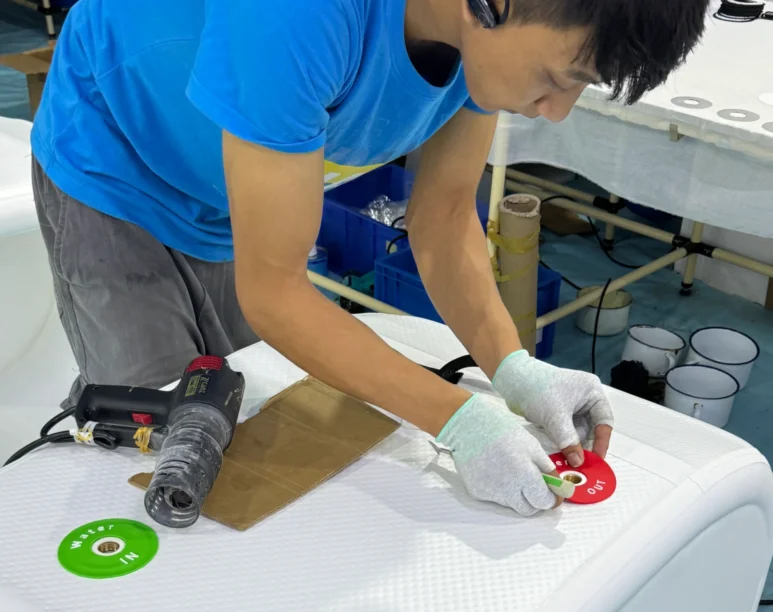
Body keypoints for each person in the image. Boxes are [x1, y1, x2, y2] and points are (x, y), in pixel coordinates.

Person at [30, 0, 707, 516]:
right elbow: (277, 295)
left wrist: (512, 368)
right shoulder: (299, 16)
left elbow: (441, 219)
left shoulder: (478, 37)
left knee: (252, 414)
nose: (555, 112)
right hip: (115, 161)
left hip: (230, 186)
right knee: (165, 444)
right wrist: (458, 419)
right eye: (561, 77)